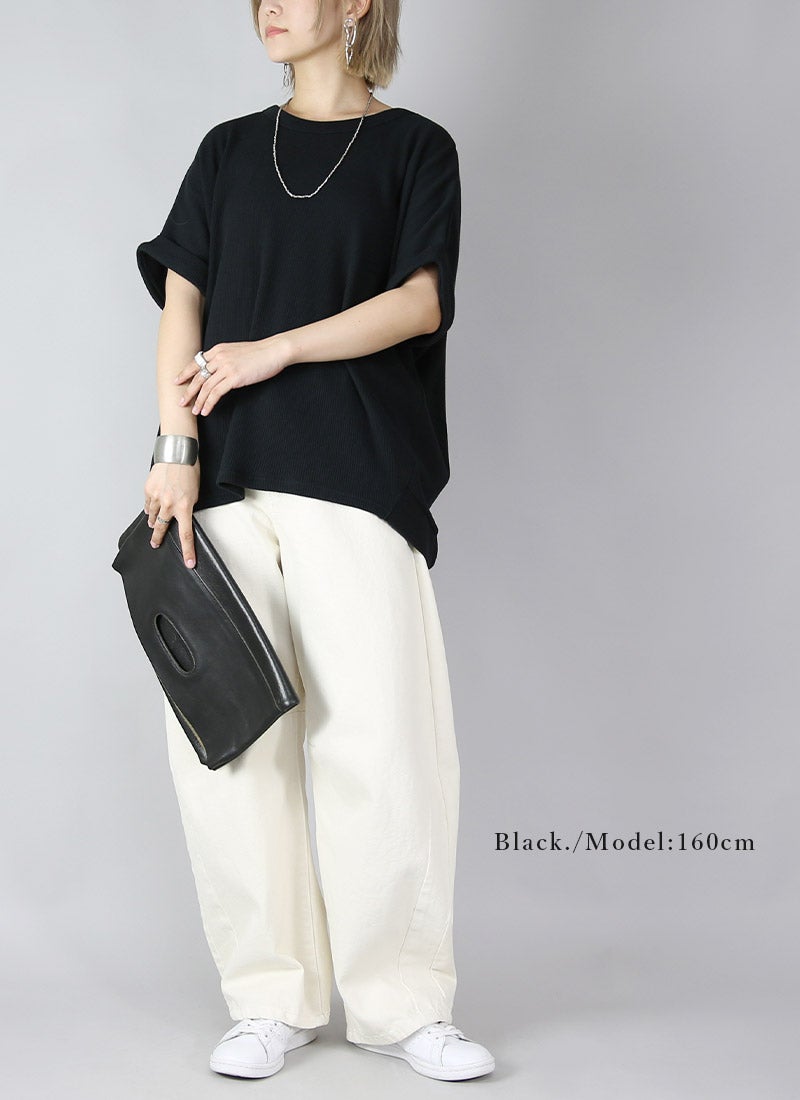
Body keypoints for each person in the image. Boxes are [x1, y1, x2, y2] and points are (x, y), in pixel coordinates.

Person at [135, 0, 495, 1083]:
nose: (270, 7)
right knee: (234, 747)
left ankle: (403, 1006)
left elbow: (419, 302)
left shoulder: (414, 148)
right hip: (225, 480)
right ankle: (269, 1000)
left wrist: (276, 349)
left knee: (380, 747)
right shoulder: (227, 150)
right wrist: (173, 446)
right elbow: (181, 307)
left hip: (358, 473)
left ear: (355, 4)